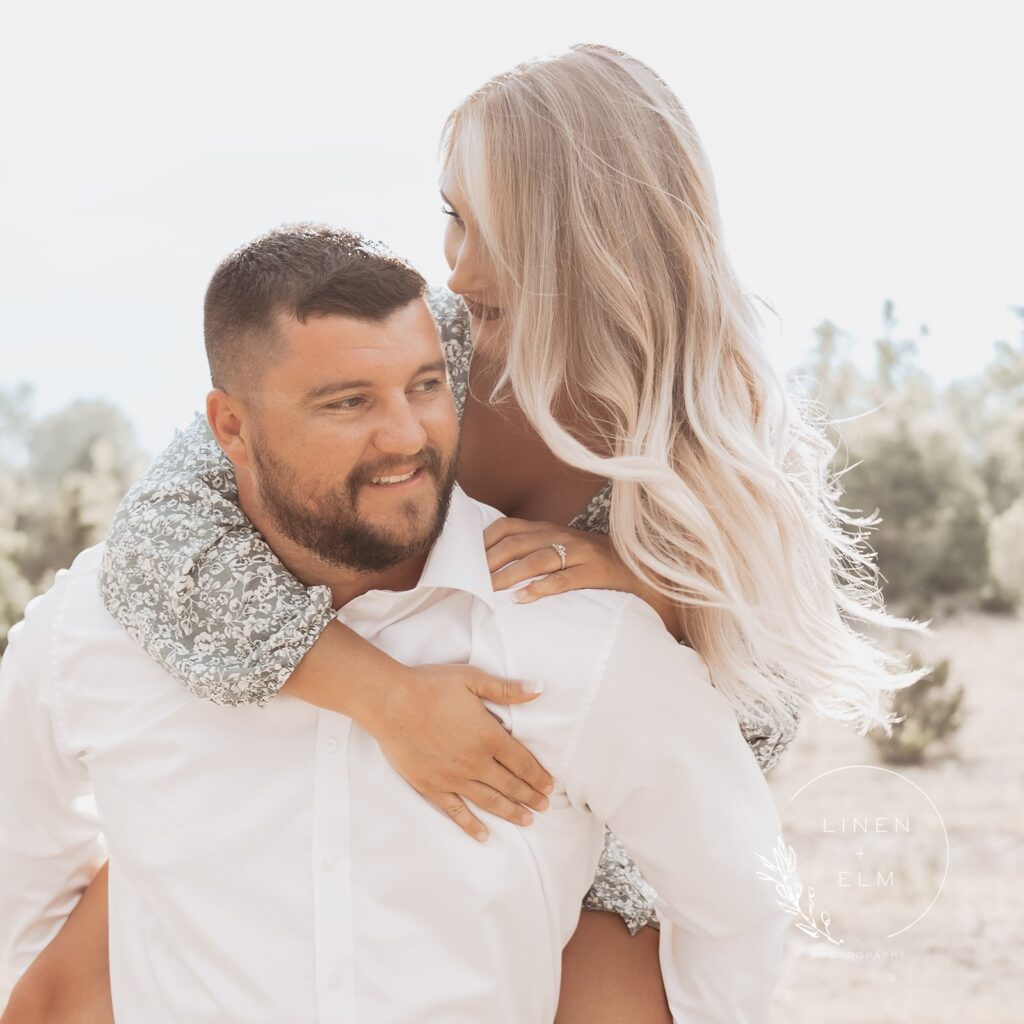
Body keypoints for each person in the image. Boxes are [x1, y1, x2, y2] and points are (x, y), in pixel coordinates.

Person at [3, 44, 913, 1023]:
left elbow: (752, 712)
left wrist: (649, 587)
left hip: (585, 808)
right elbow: (158, 539)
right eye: (449, 215)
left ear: (587, 242)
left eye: (488, 229)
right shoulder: (421, 336)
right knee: (73, 984)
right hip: (329, 688)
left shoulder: (717, 427)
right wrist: (388, 699)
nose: (454, 262)